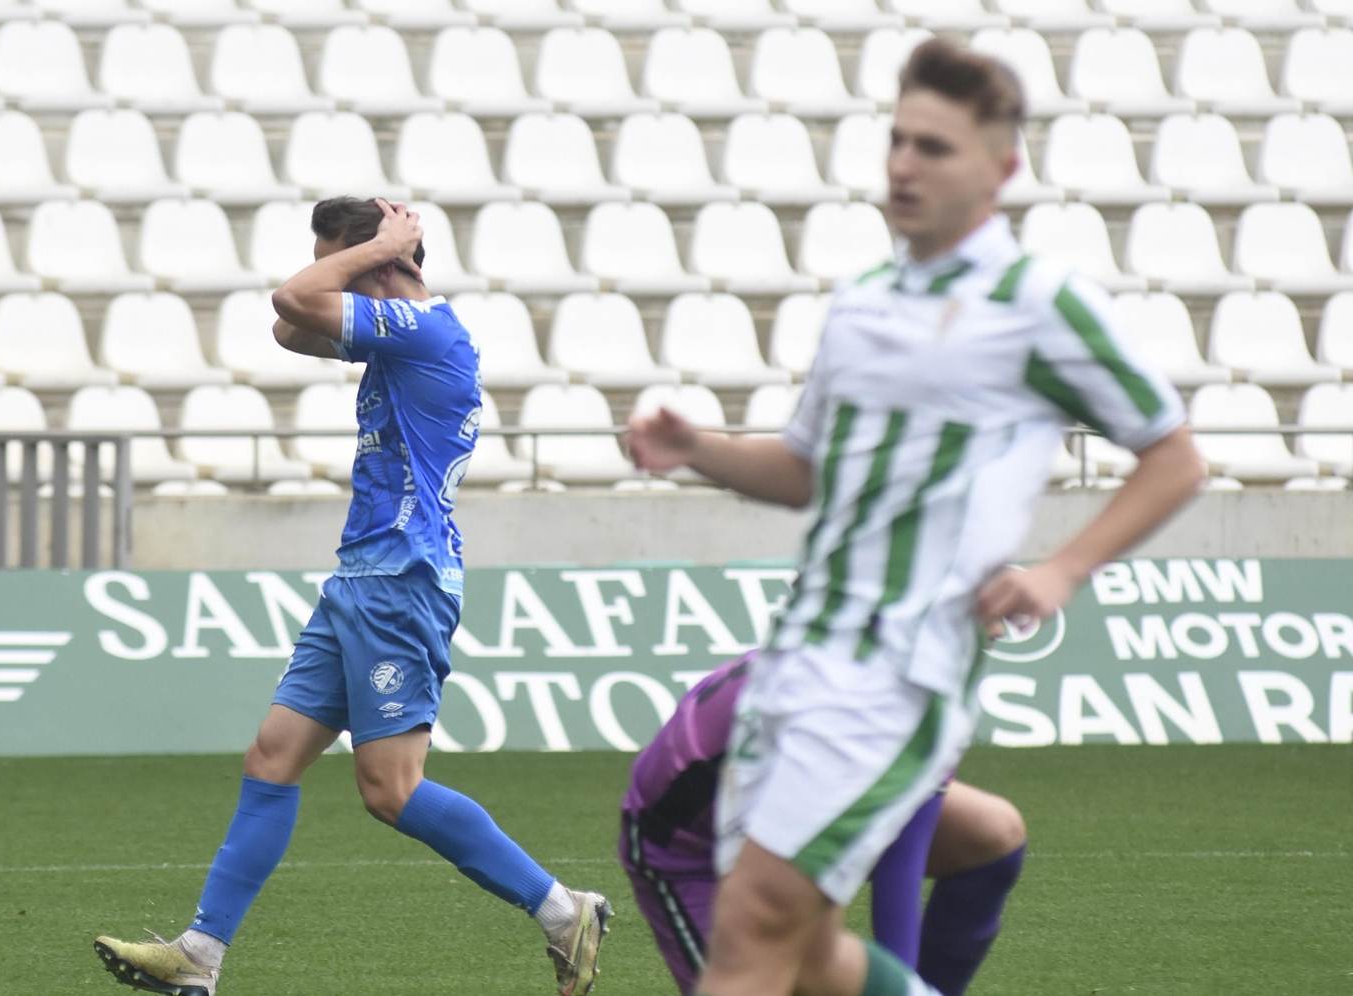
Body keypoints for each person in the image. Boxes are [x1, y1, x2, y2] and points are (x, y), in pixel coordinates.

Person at [626, 38, 1205, 996]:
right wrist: (700, 449)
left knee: (752, 934)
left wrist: (1062, 570)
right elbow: (806, 473)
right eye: (897, 140)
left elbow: (1174, 455)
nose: (903, 164)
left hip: (898, 671)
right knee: (802, 952)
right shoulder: (861, 303)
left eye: (934, 147)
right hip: (797, 659)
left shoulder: (1040, 303)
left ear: (1001, 167)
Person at [93, 197, 611, 996]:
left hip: (401, 581)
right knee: (272, 756)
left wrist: (386, 248)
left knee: (390, 790)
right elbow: (290, 326)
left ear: (378, 265)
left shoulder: (427, 332)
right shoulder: (395, 342)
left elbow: (293, 301)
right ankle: (201, 954)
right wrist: (362, 258)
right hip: (362, 580)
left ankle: (560, 909)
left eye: (340, 259)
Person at [621, 654, 1027, 996]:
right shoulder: (844, 701)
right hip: (687, 847)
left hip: (780, 811)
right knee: (789, 964)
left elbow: (904, 840)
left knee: (994, 832)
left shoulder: (919, 674)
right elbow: (869, 874)